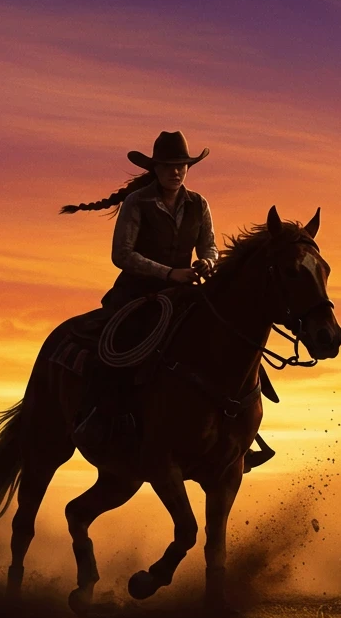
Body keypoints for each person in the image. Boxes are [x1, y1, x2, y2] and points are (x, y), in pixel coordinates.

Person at [61, 131, 275, 471]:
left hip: (184, 292)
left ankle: (238, 435)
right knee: (119, 350)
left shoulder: (199, 204)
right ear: (156, 168)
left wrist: (207, 261)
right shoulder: (138, 203)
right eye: (169, 166)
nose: (176, 172)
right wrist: (168, 274)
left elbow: (209, 245)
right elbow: (123, 255)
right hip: (136, 293)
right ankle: (100, 419)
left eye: (182, 166)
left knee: (226, 341)